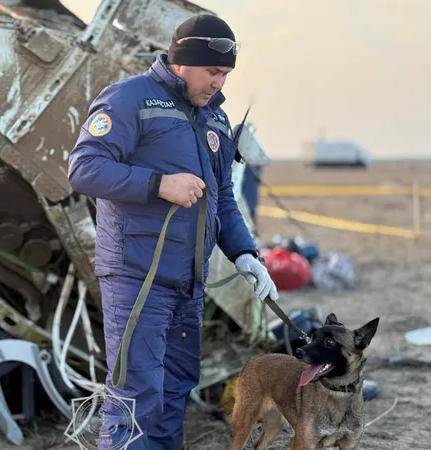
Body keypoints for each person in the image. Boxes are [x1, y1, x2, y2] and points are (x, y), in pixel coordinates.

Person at [67, 13, 279, 450]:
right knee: (136, 392)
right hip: (137, 277)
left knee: (175, 387)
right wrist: (158, 184)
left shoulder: (215, 121)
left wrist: (245, 255)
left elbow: (221, 198)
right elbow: (84, 168)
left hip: (189, 282)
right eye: (212, 72)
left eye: (226, 74)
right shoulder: (129, 99)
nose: (219, 83)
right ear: (181, 61)